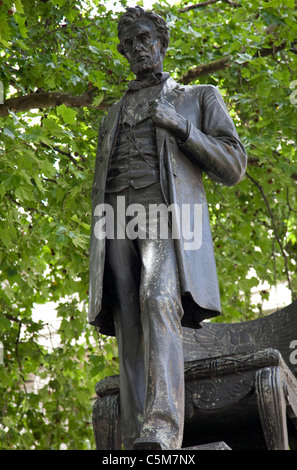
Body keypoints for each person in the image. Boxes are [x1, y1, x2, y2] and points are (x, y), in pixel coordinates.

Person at [88, 6, 247, 450]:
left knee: (158, 300)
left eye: (146, 39)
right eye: (130, 43)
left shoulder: (197, 97)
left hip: (167, 219)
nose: (139, 49)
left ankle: (162, 426)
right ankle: (137, 434)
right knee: (128, 320)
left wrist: (183, 130)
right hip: (115, 221)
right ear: (124, 52)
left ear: (163, 43)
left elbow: (234, 165)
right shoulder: (111, 115)